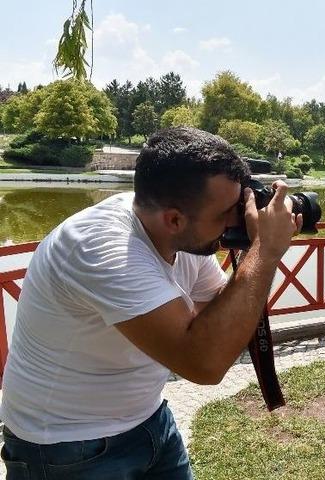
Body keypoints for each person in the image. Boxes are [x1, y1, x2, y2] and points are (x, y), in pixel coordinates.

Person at [0, 126, 302, 479]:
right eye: (226, 213)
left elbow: (218, 313)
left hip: (149, 420)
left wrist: (257, 252)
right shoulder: (103, 248)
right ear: (174, 219)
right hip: (65, 446)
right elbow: (204, 363)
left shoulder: (182, 232)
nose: (236, 220)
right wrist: (264, 250)